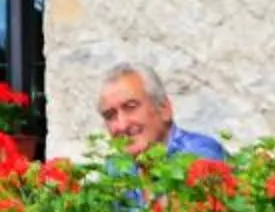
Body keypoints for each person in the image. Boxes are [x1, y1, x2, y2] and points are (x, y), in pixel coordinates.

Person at [97, 62, 226, 159]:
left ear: (164, 109)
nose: (122, 125)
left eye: (131, 107)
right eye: (110, 115)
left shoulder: (199, 155)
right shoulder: (115, 170)